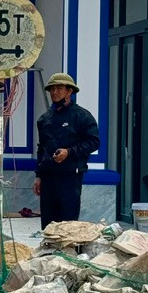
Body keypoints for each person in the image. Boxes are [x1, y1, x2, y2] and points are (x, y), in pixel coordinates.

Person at [31, 73, 100, 228]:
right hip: (48, 176)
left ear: (69, 91)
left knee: (68, 222)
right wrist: (38, 176)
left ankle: (67, 252)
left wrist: (69, 152)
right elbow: (41, 148)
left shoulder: (82, 116)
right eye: (52, 89)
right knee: (48, 223)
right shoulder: (44, 119)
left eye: (59, 88)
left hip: (70, 176)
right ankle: (49, 251)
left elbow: (94, 142)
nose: (55, 92)